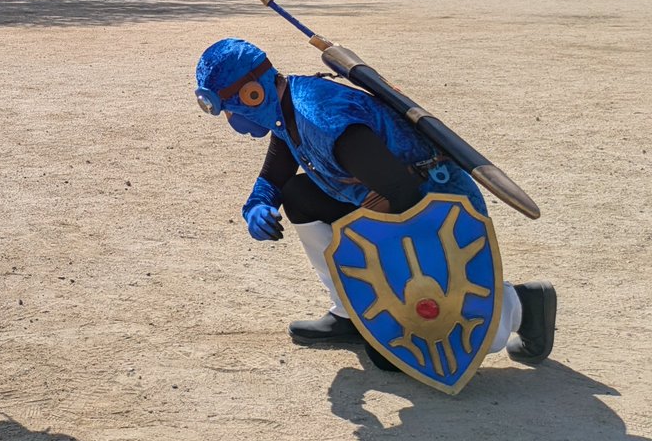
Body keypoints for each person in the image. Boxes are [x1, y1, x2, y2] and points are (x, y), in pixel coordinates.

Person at [194, 38, 556, 367]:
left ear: (252, 95)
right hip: (391, 202)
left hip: (437, 209)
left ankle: (523, 305)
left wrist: (393, 287)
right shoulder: (286, 110)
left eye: (227, 109)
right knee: (299, 196)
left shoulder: (318, 117)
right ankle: (350, 311)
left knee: (432, 339)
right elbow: (276, 176)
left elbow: (402, 195)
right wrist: (257, 206)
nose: (230, 120)